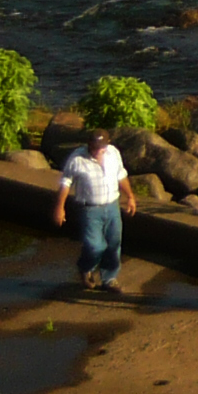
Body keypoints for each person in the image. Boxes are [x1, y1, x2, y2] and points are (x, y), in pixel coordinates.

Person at [51, 125, 136, 294]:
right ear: (89, 145)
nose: (99, 151)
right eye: (95, 148)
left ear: (107, 144)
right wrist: (59, 208)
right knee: (95, 246)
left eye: (102, 148)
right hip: (89, 209)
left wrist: (130, 196)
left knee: (114, 243)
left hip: (112, 205)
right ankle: (85, 267)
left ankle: (109, 279)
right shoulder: (77, 159)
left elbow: (121, 175)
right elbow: (66, 183)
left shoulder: (113, 153)